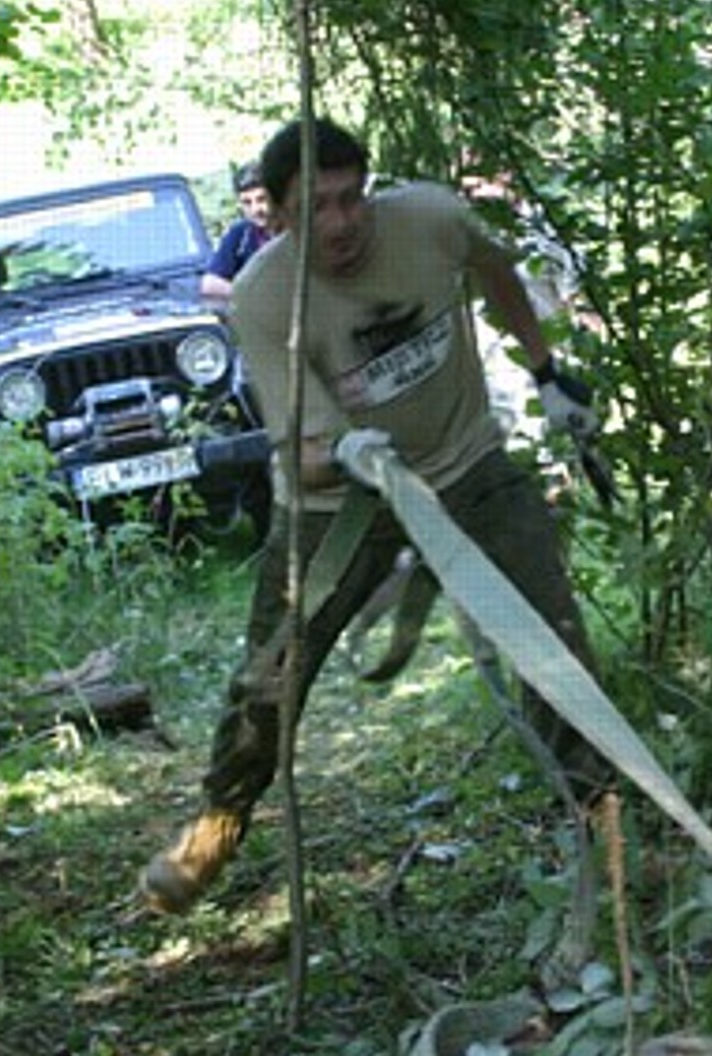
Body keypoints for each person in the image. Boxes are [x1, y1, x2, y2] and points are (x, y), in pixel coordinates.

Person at [141, 118, 613, 915]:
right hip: (341, 504)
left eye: (353, 198)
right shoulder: (263, 296)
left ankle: (603, 821)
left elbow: (494, 270)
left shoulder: (429, 219)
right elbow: (307, 451)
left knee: (549, 638)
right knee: (272, 673)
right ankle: (219, 822)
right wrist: (350, 452)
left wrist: (546, 371)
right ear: (279, 215)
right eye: (318, 206)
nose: (342, 223)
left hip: (467, 466)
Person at [198, 162, 274, 304]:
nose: (255, 209)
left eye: (261, 199)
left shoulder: (295, 228)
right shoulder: (240, 234)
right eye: (247, 202)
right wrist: (247, 294)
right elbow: (209, 283)